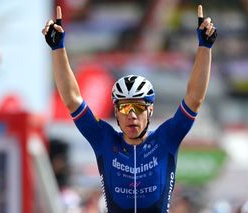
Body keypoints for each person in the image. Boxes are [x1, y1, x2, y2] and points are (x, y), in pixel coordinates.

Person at [42, 4, 216, 213]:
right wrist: (57, 49)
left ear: (150, 110)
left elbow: (194, 98)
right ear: (115, 112)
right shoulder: (104, 139)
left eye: (139, 107)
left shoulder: (165, 138)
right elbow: (72, 99)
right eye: (124, 108)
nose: (132, 115)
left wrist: (205, 48)